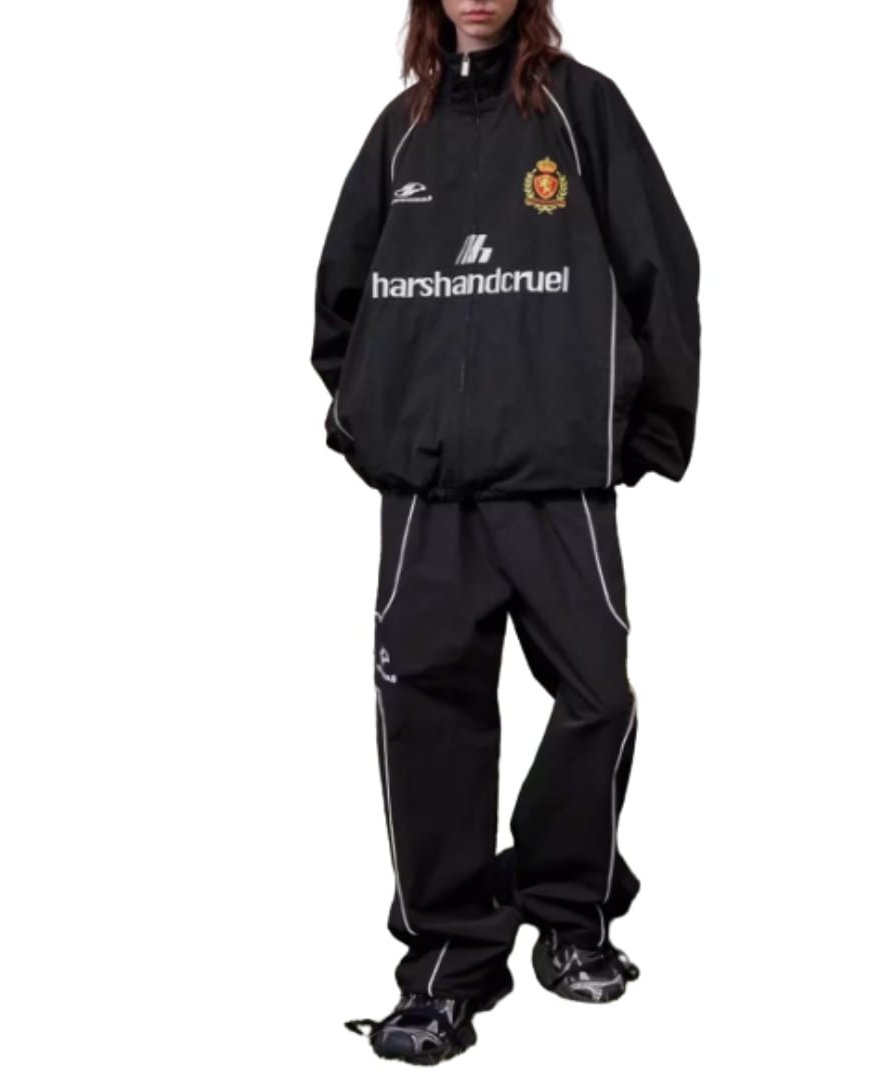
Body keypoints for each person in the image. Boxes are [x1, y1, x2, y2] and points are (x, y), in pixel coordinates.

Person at [311, 0, 701, 1065]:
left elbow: (662, 267)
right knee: (425, 709)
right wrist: (370, 422)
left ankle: (568, 908)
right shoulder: (402, 133)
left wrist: (643, 430)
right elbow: (342, 296)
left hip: (555, 478)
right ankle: (449, 963)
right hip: (428, 492)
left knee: (598, 695)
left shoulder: (582, 111)